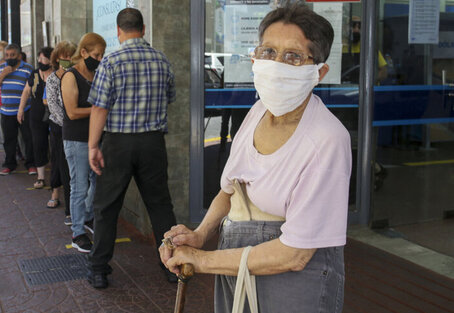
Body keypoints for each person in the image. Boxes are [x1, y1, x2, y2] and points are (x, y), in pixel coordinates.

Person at [160, 4, 351, 313]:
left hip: (293, 282)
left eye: (293, 56)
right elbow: (231, 188)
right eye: (268, 51)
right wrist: (199, 235)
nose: (276, 64)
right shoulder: (258, 111)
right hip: (237, 265)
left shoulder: (327, 139)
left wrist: (203, 260)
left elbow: (295, 255)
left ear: (319, 71)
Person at [87, 8, 177, 288]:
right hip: (152, 142)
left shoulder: (111, 61)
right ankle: (172, 266)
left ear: (118, 30)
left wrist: (93, 146)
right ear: (144, 28)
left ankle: (99, 269)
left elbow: (100, 108)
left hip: (118, 143)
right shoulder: (161, 60)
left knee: (106, 206)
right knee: (160, 206)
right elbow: (170, 96)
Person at [61, 33, 105, 253]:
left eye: (102, 55)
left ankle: (86, 217)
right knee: (79, 186)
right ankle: (78, 232)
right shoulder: (70, 76)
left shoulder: (96, 74)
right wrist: (100, 109)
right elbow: (72, 112)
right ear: (84, 52)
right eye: (96, 54)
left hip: (95, 138)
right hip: (77, 139)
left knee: (96, 182)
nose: (99, 59)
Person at [0, 43, 36, 176]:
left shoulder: (28, 68)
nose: (9, 57)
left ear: (19, 56)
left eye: (12, 55)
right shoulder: (1, 69)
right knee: (9, 139)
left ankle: (31, 164)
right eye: (7, 55)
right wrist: (3, 74)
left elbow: (32, 88)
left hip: (25, 110)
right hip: (7, 111)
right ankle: (9, 164)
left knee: (28, 138)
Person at [45, 41, 77, 224]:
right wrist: (69, 121)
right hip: (60, 127)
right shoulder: (52, 79)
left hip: (77, 127)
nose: (68, 60)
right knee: (65, 168)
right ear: (57, 58)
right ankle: (69, 210)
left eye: (71, 56)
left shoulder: (76, 75)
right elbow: (53, 107)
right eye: (64, 57)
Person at [17, 47, 54, 189]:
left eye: (43, 58)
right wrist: (20, 110)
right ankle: (41, 177)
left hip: (54, 115)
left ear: (51, 59)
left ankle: (58, 176)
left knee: (55, 146)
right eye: (39, 58)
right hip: (36, 115)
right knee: (38, 144)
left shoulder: (58, 74)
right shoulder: (34, 74)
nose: (40, 61)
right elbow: (26, 91)